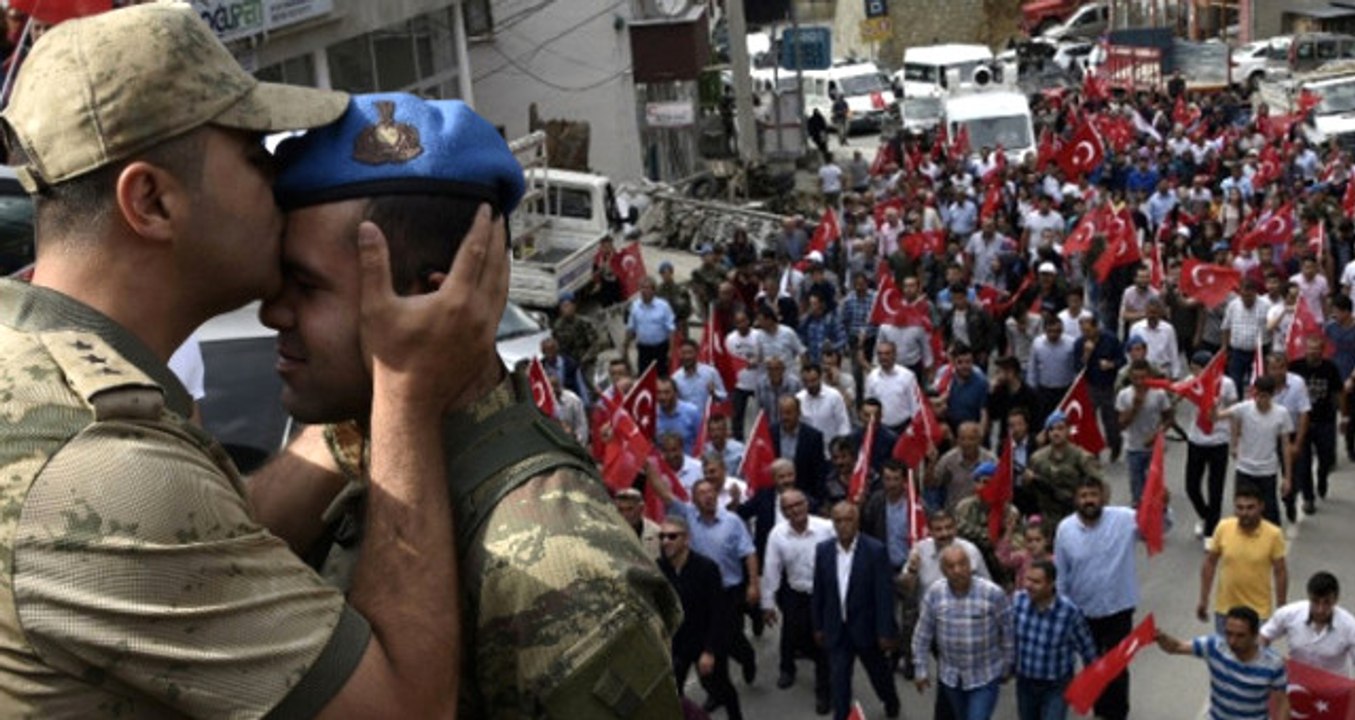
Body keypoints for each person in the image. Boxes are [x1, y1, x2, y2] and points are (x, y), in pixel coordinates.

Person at [0, 4, 483, 715]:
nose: (280, 185)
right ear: (152, 201)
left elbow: (196, 549)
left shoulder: (41, 364)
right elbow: (407, 709)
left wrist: (351, 429)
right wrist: (404, 391)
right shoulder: (100, 465)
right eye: (255, 159)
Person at [264, 93, 684, 715]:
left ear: (431, 302)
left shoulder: (557, 566)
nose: (273, 312)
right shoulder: (361, 446)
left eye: (304, 287)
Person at [1055, 477, 1143, 720]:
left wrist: (1162, 507)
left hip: (1119, 608)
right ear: (1076, 500)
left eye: (1093, 495)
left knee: (1116, 664)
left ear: (1102, 497)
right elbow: (1061, 574)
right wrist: (1061, 609)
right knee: (1093, 664)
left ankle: (1116, 714)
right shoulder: (1065, 529)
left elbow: (1157, 528)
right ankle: (1102, 710)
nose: (1089, 501)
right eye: (1083, 496)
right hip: (1083, 611)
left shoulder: (1125, 518)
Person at [812, 502, 902, 720]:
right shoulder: (823, 551)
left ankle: (891, 701)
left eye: (848, 520)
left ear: (857, 521)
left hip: (867, 629)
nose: (843, 526)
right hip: (837, 629)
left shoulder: (875, 550)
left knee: (879, 675)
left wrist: (885, 631)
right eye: (838, 521)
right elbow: (819, 591)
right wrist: (818, 626)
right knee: (839, 680)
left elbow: (883, 594)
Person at [912, 545, 1014, 720]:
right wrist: (920, 669)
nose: (957, 570)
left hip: (985, 676)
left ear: (970, 565)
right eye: (951, 566)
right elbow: (923, 634)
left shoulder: (992, 593)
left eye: (962, 564)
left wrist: (1007, 666)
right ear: (943, 571)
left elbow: (1007, 632)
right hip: (951, 677)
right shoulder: (935, 593)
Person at [658, 514, 743, 720]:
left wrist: (710, 651)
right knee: (672, 694)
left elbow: (718, 612)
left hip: (705, 641)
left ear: (686, 539)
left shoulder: (706, 568)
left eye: (672, 536)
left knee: (721, 687)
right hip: (677, 645)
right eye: (661, 537)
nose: (665, 541)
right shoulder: (658, 569)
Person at [762, 489, 835, 714]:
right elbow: (771, 568)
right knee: (792, 633)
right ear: (783, 512)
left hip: (824, 596)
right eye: (789, 507)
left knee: (823, 644)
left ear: (807, 504)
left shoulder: (826, 528)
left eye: (799, 504)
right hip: (795, 593)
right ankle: (787, 669)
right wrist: (767, 603)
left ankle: (824, 691)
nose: (795, 510)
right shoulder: (777, 534)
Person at [1155, 606, 1290, 720]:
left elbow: (1283, 702)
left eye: (1240, 635)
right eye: (1229, 634)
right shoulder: (1214, 646)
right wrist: (1162, 638)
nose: (1232, 641)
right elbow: (1176, 647)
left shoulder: (1274, 664)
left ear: (1255, 635)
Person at [1012, 560, 1098, 720]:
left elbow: (1087, 650)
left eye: (1036, 582)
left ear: (1051, 584)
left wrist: (1091, 684)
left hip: (1056, 686)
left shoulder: (1069, 613)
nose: (1029, 585)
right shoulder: (1018, 601)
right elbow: (1009, 639)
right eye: (1027, 579)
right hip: (1025, 683)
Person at [1198, 484, 1288, 633]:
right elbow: (1210, 563)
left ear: (1261, 507)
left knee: (1254, 655)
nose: (1244, 513)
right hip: (1225, 612)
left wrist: (1281, 610)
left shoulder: (1274, 534)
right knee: (1225, 655)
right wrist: (1203, 599)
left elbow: (1280, 572)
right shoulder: (1223, 527)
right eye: (1240, 508)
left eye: (1250, 507)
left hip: (1258, 614)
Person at [1221, 375, 1294, 527]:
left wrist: (1287, 477)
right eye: (1258, 396)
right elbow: (1218, 416)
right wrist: (1210, 405)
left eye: (1265, 397)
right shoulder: (1244, 408)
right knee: (1243, 511)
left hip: (1267, 471)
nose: (1261, 400)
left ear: (1272, 395)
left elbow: (1285, 446)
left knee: (1270, 514)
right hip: (1245, 469)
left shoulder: (1282, 414)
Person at [1182, 350, 1238, 541]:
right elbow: (1176, 395)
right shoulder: (1190, 381)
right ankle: (1207, 517)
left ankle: (1211, 532)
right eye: (1193, 369)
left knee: (1215, 489)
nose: (1195, 372)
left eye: (1198, 369)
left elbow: (1234, 411)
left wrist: (1234, 441)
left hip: (1218, 441)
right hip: (1196, 440)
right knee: (1191, 486)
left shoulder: (1226, 384)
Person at [1262, 571, 1355, 676]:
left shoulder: (1350, 626)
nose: (1320, 609)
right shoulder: (1288, 614)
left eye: (1327, 602)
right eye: (1315, 601)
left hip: (1333, 686)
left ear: (1336, 600)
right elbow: (1263, 637)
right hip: (1297, 681)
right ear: (1309, 597)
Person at [1027, 411, 1104, 526]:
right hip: (1048, 516)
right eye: (1051, 429)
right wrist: (1028, 481)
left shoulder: (1081, 457)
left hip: (1075, 516)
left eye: (1060, 428)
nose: (1056, 433)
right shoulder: (1037, 458)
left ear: (1068, 430)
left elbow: (1100, 485)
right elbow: (1029, 491)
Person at [1289, 335, 1341, 505]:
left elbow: (1337, 393)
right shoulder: (1295, 367)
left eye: (1316, 349)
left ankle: (1322, 477)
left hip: (1325, 420)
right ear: (1306, 349)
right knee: (1303, 462)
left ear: (1322, 350)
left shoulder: (1330, 368)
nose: (1313, 352)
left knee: (1326, 457)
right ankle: (1308, 498)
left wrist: (1342, 416)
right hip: (1302, 422)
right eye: (1310, 348)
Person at [1116, 358, 1173, 505]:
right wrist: (1135, 408)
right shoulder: (1124, 395)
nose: (1140, 382)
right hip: (1133, 447)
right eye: (1136, 378)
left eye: (1143, 378)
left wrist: (1157, 435)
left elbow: (1168, 418)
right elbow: (1121, 424)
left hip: (1154, 448)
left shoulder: (1159, 394)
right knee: (1136, 486)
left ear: (1149, 376)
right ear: (1130, 377)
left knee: (1153, 484)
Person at [865, 340, 922, 433]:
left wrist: (914, 427)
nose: (883, 357)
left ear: (895, 354)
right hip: (880, 428)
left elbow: (915, 405)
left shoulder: (908, 376)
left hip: (904, 428)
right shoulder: (871, 377)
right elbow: (869, 404)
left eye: (887, 353)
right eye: (880, 354)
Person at [627, 276, 677, 378]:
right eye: (642, 288)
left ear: (654, 290)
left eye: (647, 288)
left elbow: (671, 329)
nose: (644, 290)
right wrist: (625, 346)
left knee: (662, 376)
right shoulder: (635, 306)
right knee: (644, 377)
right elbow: (631, 328)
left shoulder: (663, 306)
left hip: (661, 349)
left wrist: (671, 351)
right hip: (643, 350)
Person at [615, 487, 662, 559]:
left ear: (641, 508)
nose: (625, 515)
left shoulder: (656, 533)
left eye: (630, 509)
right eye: (621, 510)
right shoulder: (611, 529)